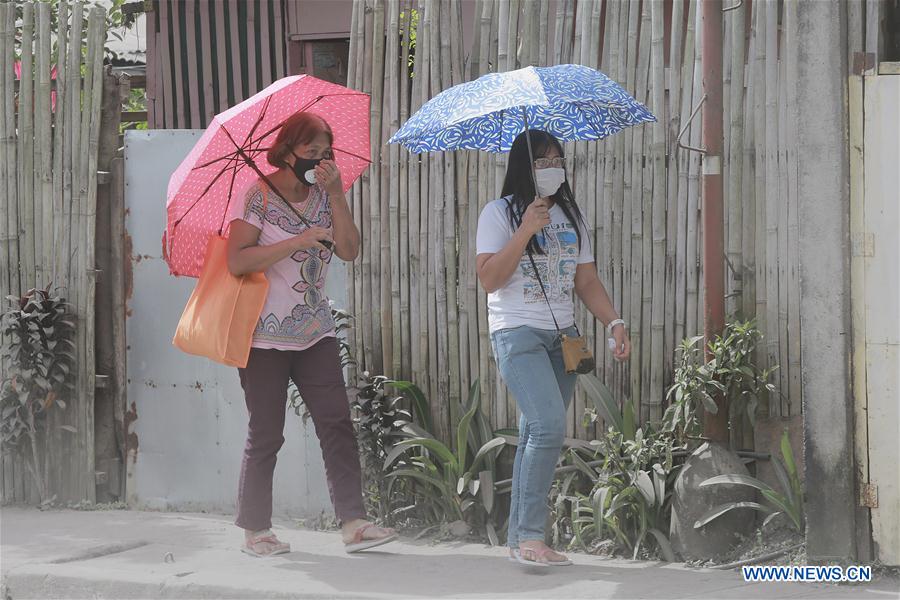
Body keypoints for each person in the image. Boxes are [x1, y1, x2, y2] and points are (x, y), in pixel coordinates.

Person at [226, 111, 396, 557]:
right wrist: (296, 242)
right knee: (266, 432)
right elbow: (238, 261)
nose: (318, 160)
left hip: (315, 331)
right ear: (287, 151)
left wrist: (337, 194)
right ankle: (256, 530)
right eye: (310, 152)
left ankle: (354, 522)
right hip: (263, 336)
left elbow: (350, 250)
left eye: (325, 153)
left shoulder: (325, 196)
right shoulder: (257, 197)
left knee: (337, 423)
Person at [475, 129, 632, 567]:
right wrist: (525, 229)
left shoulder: (571, 216)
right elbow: (489, 279)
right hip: (517, 333)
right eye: (542, 162)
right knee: (546, 426)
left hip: (562, 337)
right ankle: (529, 536)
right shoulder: (498, 213)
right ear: (523, 167)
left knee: (534, 432)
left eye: (557, 160)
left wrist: (614, 322)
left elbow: (585, 280)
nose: (552, 169)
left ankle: (520, 540)